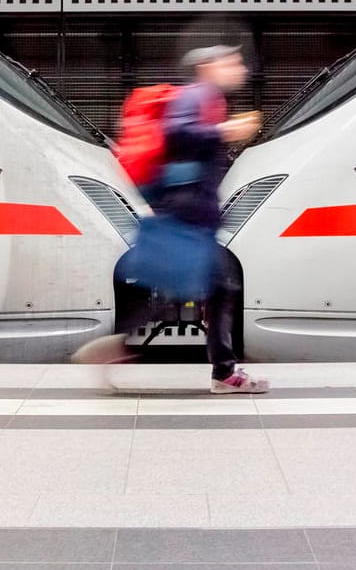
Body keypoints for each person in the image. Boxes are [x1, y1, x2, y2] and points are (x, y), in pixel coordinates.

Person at [75, 44, 270, 394]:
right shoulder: (197, 95)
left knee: (184, 283)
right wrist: (225, 131)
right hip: (189, 210)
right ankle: (224, 374)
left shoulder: (203, 97)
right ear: (208, 66)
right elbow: (178, 133)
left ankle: (118, 348)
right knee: (214, 287)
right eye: (231, 61)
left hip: (188, 208)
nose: (238, 67)